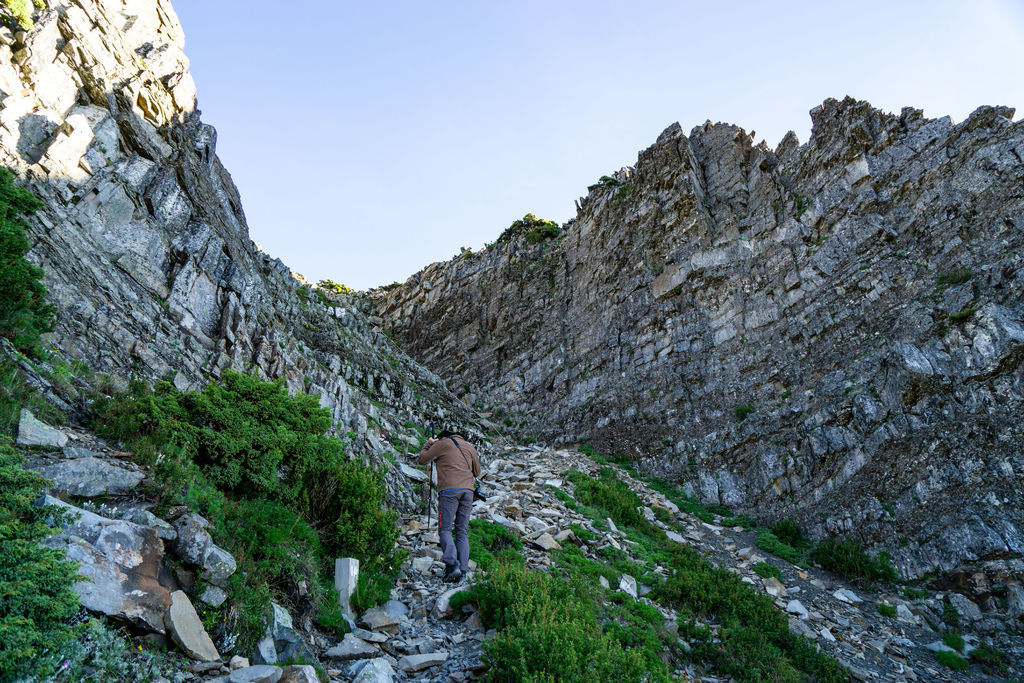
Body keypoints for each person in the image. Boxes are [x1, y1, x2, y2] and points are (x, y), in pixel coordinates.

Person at [417, 428, 480, 582]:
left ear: (442, 437)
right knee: (462, 531)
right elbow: (477, 472)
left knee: (445, 529)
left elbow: (422, 460)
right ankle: (463, 572)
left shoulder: (442, 444)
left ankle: (452, 565)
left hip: (449, 491)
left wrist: (428, 444)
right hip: (468, 492)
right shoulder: (469, 446)